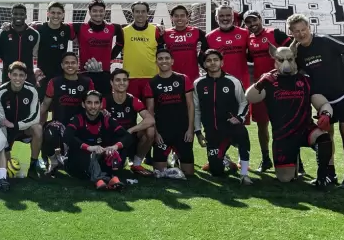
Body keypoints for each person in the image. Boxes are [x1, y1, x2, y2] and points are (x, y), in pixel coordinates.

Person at [245, 45, 335, 188]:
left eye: (289, 59)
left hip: (305, 129)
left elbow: (322, 102)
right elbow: (250, 97)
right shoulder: (268, 80)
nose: (285, 63)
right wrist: (260, 83)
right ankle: (294, 162)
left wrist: (325, 114)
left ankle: (323, 177)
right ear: (274, 59)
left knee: (323, 137)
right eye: (280, 60)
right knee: (285, 179)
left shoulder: (305, 79)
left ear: (294, 57)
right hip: (283, 136)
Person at [288, 14, 344, 188]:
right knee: (327, 136)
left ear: (309, 28)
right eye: (296, 31)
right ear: (292, 33)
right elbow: (290, 68)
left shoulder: (324, 41)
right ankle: (330, 173)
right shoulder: (297, 51)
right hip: (322, 100)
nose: (301, 34)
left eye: (303, 29)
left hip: (343, 93)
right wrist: (292, 48)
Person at [193, 49, 252, 184]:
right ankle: (224, 160)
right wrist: (198, 132)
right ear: (204, 64)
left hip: (232, 127)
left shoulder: (233, 81)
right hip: (212, 132)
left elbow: (244, 101)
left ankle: (244, 174)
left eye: (215, 60)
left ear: (222, 62)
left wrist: (240, 117)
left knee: (243, 133)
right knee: (216, 172)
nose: (212, 63)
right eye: (208, 61)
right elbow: (196, 109)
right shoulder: (198, 83)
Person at [244, 10, 291, 172]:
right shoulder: (247, 39)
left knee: (285, 125)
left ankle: (294, 161)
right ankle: (265, 159)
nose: (252, 24)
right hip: (261, 87)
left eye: (254, 20)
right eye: (248, 22)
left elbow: (292, 51)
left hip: (281, 86)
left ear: (260, 19)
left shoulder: (275, 33)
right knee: (262, 125)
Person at [64, 91, 132, 190]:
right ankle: (106, 179)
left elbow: (127, 136)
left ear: (101, 105)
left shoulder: (106, 119)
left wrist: (114, 147)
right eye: (89, 103)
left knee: (118, 149)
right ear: (83, 104)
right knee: (86, 153)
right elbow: (67, 136)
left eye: (96, 103)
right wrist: (90, 147)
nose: (93, 106)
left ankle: (103, 180)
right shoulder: (77, 119)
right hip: (79, 162)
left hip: (100, 158)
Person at [144, 48, 195, 176]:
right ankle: (170, 158)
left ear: (172, 61)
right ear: (156, 62)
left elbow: (190, 105)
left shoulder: (183, 79)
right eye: (160, 59)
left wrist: (190, 129)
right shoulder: (152, 83)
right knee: (159, 172)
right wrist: (156, 133)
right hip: (163, 131)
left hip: (183, 131)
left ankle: (177, 157)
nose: (164, 61)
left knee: (188, 173)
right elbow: (150, 111)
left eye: (167, 58)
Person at [40, 53, 94, 173]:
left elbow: (93, 104)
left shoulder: (87, 82)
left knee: (79, 168)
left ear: (77, 65)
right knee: (49, 133)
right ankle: (53, 161)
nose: (70, 65)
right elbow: (45, 104)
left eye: (73, 62)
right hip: (59, 124)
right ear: (62, 65)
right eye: (67, 63)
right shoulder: (54, 82)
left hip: (80, 126)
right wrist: (35, 121)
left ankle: (68, 158)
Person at [0, 62, 44, 178]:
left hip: (24, 129)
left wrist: (15, 125)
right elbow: (1, 122)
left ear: (25, 77)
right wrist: (6, 149)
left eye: (21, 75)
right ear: (9, 75)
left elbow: (35, 118)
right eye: (15, 75)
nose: (18, 78)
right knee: (5, 166)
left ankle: (33, 166)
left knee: (38, 129)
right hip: (6, 130)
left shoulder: (32, 91)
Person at [104, 68, 155, 175]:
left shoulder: (133, 100)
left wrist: (131, 130)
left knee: (150, 130)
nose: (121, 83)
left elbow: (150, 120)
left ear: (128, 82)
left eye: (124, 80)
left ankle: (136, 164)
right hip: (111, 139)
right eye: (118, 80)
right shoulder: (104, 100)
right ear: (111, 83)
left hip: (130, 137)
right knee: (116, 169)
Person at [72, 0, 124, 97]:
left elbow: (120, 43)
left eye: (101, 11)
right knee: (84, 104)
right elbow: (59, 27)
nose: (98, 13)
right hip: (85, 72)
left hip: (104, 73)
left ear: (105, 12)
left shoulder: (114, 27)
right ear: (90, 12)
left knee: (104, 104)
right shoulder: (79, 27)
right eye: (95, 11)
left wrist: (110, 57)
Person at [120, 1, 164, 100]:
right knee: (133, 109)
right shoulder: (124, 31)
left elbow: (161, 53)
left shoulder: (156, 30)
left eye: (143, 11)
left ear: (147, 13)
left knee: (152, 109)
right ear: (133, 13)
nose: (140, 14)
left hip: (152, 76)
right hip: (131, 77)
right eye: (137, 11)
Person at [32, 1, 75, 93]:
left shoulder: (67, 29)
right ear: (48, 13)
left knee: (59, 102)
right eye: (53, 13)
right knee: (43, 102)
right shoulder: (39, 28)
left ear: (63, 14)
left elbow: (80, 40)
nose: (56, 16)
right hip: (42, 74)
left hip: (61, 74)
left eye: (59, 13)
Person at [162, 4, 208, 87]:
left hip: (192, 75)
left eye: (182, 16)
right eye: (176, 16)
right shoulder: (165, 34)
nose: (179, 18)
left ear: (187, 18)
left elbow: (207, 45)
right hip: (172, 75)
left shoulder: (196, 31)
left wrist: (201, 57)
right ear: (172, 18)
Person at [206, 5, 251, 90]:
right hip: (219, 81)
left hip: (242, 80)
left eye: (228, 15)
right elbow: (204, 61)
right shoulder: (209, 37)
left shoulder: (245, 33)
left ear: (233, 17)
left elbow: (252, 56)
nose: (225, 18)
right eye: (221, 16)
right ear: (216, 18)